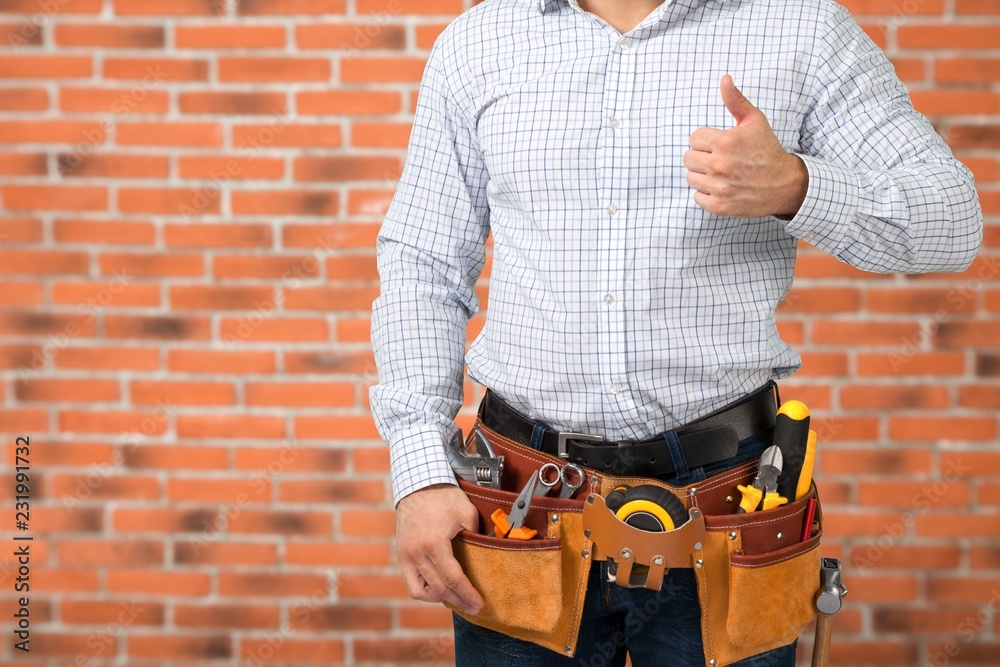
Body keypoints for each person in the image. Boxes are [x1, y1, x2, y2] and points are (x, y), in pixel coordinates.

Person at [369, 0, 983, 664]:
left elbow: (951, 221)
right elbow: (423, 259)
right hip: (521, 510)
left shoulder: (802, 27)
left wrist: (798, 186)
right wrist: (420, 469)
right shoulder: (478, 40)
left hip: (728, 513)